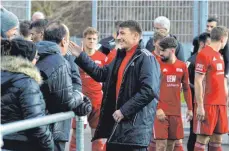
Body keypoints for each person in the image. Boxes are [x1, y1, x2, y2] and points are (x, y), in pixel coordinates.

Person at [69, 20, 161, 151]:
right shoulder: (120, 57)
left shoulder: (146, 58)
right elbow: (101, 74)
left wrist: (124, 110)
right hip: (116, 127)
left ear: (135, 36)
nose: (118, 37)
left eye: (122, 33)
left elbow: (149, 90)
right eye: (118, 33)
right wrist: (81, 56)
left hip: (134, 132)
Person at [36, 21, 92, 151]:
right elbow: (66, 101)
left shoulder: (32, 55)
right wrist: (80, 98)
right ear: (64, 41)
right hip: (51, 131)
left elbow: (75, 83)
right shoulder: (58, 61)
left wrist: (78, 97)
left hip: (45, 129)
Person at [1, 38, 54, 151]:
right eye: (36, 58)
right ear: (27, 59)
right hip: (24, 144)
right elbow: (36, 124)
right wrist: (49, 146)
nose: (37, 61)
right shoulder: (28, 83)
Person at [69, 27, 107, 151]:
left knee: (98, 136)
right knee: (76, 135)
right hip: (81, 101)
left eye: (94, 39)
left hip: (97, 101)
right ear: (84, 39)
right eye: (89, 38)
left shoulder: (102, 57)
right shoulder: (76, 57)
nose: (91, 41)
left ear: (97, 40)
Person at [153, 37, 193, 151]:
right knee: (160, 146)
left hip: (175, 112)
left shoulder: (182, 66)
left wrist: (190, 108)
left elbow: (186, 88)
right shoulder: (156, 64)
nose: (160, 53)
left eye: (163, 51)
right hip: (160, 111)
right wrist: (157, 108)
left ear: (172, 50)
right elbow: (150, 89)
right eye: (159, 50)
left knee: (171, 145)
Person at [193, 26, 228, 151]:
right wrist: (200, 106)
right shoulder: (204, 54)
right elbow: (197, 81)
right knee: (202, 139)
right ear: (223, 38)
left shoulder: (219, 56)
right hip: (207, 105)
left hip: (220, 104)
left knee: (217, 139)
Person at [186, 32, 211, 151]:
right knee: (195, 132)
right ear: (202, 43)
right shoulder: (192, 61)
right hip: (196, 101)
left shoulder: (209, 57)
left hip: (206, 101)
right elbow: (185, 83)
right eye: (210, 42)